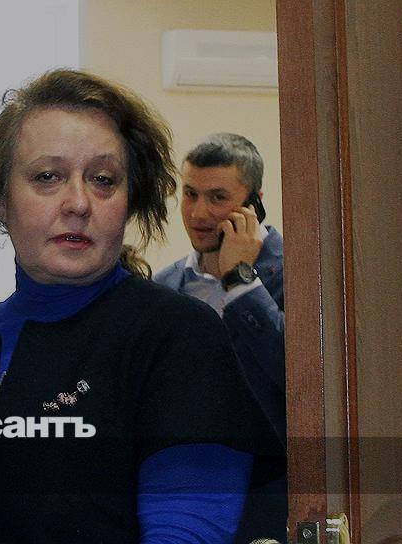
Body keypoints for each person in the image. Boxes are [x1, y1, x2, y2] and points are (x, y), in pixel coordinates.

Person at [0, 69, 282, 543]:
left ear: (129, 201)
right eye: (47, 177)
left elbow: (187, 530)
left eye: (103, 180)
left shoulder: (178, 336)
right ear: (0, 199)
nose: (78, 203)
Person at [153, 133, 286, 542]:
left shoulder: (298, 271)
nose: (198, 213)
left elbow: (300, 375)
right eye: (190, 194)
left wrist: (240, 281)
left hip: (269, 500)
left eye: (217, 198)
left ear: (254, 204)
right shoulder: (165, 285)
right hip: (186, 500)